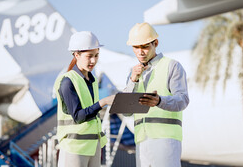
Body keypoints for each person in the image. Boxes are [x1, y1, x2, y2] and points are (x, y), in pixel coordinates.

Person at [124, 22, 189, 167]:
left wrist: (159, 101)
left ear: (156, 43)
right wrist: (132, 81)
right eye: (136, 47)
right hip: (141, 140)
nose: (140, 52)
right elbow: (126, 112)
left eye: (145, 46)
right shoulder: (133, 73)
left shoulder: (172, 66)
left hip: (165, 139)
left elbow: (182, 100)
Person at [54, 31, 115, 167]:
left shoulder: (92, 81)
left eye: (96, 55)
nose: (93, 60)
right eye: (89, 56)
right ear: (77, 55)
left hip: (93, 146)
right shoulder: (67, 81)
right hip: (74, 148)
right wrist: (103, 102)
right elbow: (78, 116)